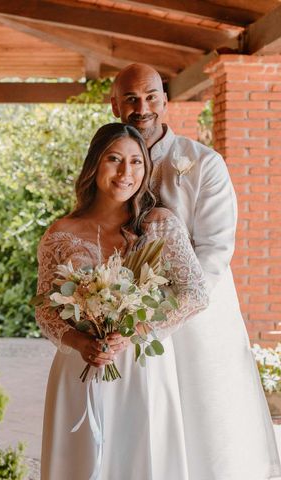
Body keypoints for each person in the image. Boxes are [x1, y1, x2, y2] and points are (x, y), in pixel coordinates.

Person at [110, 63, 280, 479]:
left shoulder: (204, 164)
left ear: (165, 101)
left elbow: (216, 251)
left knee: (205, 417)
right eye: (130, 98)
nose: (142, 107)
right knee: (142, 423)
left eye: (151, 96)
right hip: (129, 317)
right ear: (115, 105)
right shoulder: (110, 164)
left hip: (197, 319)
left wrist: (163, 311)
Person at [36, 123, 209, 480]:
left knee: (142, 457)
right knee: (80, 462)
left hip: (141, 367)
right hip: (79, 366)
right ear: (94, 164)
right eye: (114, 159)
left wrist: (137, 330)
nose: (125, 172)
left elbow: (194, 293)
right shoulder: (60, 233)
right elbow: (45, 307)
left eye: (136, 162)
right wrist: (80, 342)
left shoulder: (160, 225)